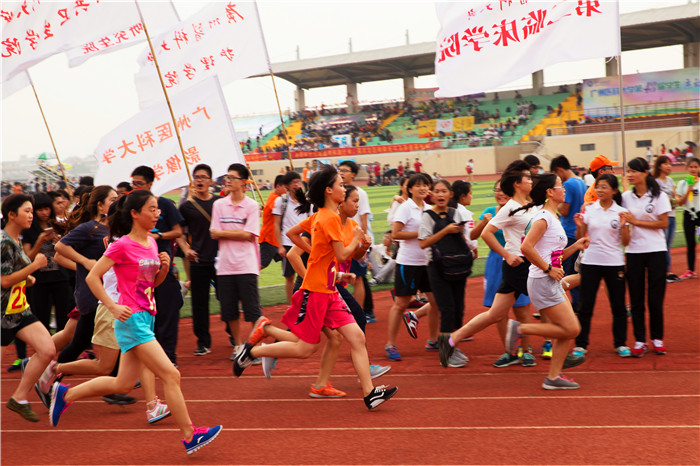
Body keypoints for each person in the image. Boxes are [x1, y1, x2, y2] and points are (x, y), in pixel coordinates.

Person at [50, 190, 222, 454]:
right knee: (171, 374)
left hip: (146, 316)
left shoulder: (151, 243)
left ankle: (65, 394)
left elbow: (151, 285)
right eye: (151, 209)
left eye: (157, 209)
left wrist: (164, 269)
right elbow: (93, 277)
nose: (157, 213)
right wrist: (112, 306)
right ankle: (190, 435)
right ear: (134, 213)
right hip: (131, 320)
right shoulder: (121, 245)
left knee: (122, 384)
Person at [232, 165, 398, 410]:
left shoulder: (321, 215)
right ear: (329, 190)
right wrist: (352, 241)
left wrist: (318, 254)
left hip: (330, 292)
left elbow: (292, 233)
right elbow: (341, 255)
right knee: (305, 348)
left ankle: (369, 393)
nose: (344, 188)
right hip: (316, 292)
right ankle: (251, 353)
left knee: (357, 337)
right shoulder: (328, 218)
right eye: (340, 184)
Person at [438, 161, 538, 364]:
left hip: (521, 264)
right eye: (527, 178)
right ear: (517, 183)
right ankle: (549, 349)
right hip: (518, 265)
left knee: (495, 314)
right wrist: (507, 255)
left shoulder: (529, 206)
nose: (531, 181)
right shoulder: (510, 208)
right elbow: (483, 234)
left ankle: (450, 340)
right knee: (556, 309)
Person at [503, 173, 589, 390]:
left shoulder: (553, 216)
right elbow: (526, 247)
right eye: (560, 186)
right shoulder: (544, 217)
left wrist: (575, 246)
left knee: (564, 330)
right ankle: (521, 329)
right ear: (550, 192)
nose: (564, 189)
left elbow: (554, 255)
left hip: (548, 280)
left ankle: (553, 377)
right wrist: (548, 269)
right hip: (542, 281)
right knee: (572, 329)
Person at [50, 186, 134, 406]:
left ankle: (111, 385)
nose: (116, 203)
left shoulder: (114, 230)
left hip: (105, 293)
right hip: (93, 294)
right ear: (100, 205)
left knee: (82, 342)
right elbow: (60, 249)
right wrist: (85, 263)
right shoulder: (90, 228)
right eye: (112, 199)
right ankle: (51, 377)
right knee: (81, 344)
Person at [2, 194, 55, 422]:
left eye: (32, 211)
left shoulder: (16, 239)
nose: (31, 215)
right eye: (27, 211)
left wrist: (26, 278)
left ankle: (19, 398)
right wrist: (33, 267)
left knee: (47, 350)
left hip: (19, 310)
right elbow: (4, 281)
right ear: (11, 215)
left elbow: (13, 275)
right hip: (2, 313)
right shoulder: (4, 243)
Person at [471, 180, 535, 367]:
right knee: (499, 312)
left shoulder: (522, 210)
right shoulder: (490, 211)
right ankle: (509, 351)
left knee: (522, 309)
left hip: (518, 261)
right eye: (497, 190)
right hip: (496, 263)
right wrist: (484, 222)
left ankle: (526, 350)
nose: (500, 193)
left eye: (503, 190)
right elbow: (473, 236)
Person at [130, 166, 184, 366]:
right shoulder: (129, 208)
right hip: (138, 270)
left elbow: (178, 231)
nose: (135, 187)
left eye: (140, 184)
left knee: (168, 311)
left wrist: (158, 236)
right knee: (142, 315)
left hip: (162, 266)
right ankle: (146, 359)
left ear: (150, 184)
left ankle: (168, 357)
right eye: (133, 183)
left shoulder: (165, 205)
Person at [572, 174, 631, 358]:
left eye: (604, 187)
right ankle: (581, 344)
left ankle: (620, 343)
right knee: (585, 305)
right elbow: (580, 238)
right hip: (591, 261)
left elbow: (626, 242)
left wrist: (624, 226)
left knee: (618, 305)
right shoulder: (590, 209)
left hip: (614, 262)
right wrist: (579, 226)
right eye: (598, 187)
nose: (599, 190)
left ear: (614, 190)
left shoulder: (621, 211)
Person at [210, 163, 263, 359]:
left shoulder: (252, 205)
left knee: (252, 310)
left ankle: (255, 346)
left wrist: (224, 233)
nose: (228, 181)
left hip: (246, 265)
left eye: (232, 177)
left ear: (243, 182)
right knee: (229, 310)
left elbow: (249, 234)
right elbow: (213, 233)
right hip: (225, 266)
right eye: (227, 177)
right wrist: (238, 232)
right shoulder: (219, 205)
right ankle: (238, 346)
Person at [621, 157, 672, 357]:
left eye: (634, 171)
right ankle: (640, 340)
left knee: (655, 298)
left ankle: (657, 339)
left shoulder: (659, 196)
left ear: (645, 173)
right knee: (636, 299)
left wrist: (636, 221)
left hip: (656, 250)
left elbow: (663, 223)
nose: (630, 174)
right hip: (634, 252)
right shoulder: (626, 197)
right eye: (628, 171)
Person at [418, 179, 472, 368]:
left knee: (458, 309)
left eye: (444, 191)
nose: (440, 194)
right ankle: (445, 352)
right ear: (431, 195)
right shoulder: (427, 216)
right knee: (447, 308)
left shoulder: (455, 212)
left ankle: (452, 346)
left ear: (450, 194)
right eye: (437, 191)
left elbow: (464, 237)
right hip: (437, 267)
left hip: (457, 265)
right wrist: (447, 230)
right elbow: (423, 243)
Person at [385, 174, 439, 361]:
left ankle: (433, 340)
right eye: (418, 185)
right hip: (408, 263)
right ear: (409, 189)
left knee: (435, 302)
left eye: (425, 185)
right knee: (401, 304)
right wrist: (421, 233)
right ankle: (390, 344)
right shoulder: (406, 208)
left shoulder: (430, 209)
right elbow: (395, 234)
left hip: (427, 263)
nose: (423, 188)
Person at [176, 164, 221, 356]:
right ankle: (203, 342)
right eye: (196, 177)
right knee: (199, 303)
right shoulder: (186, 207)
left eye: (203, 177)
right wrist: (186, 249)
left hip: (221, 260)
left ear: (211, 181)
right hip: (198, 260)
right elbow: (178, 232)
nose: (199, 180)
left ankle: (232, 335)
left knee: (226, 299)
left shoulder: (220, 203)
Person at [21, 193, 72, 334]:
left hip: (61, 278)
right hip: (39, 281)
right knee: (41, 319)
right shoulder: (28, 230)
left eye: (47, 209)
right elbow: (27, 258)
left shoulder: (58, 226)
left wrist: (60, 242)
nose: (44, 213)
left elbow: (68, 252)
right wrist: (40, 241)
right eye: (40, 209)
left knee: (64, 319)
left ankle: (61, 346)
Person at [550, 155, 587, 314]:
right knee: (576, 271)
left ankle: (576, 305)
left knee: (568, 272)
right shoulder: (580, 181)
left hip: (569, 233)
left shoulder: (568, 184)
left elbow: (564, 210)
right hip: (578, 231)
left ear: (559, 170)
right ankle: (578, 304)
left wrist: (552, 204)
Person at [337, 161, 373, 320]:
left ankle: (359, 314)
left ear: (353, 174)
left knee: (357, 277)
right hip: (344, 240)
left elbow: (364, 219)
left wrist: (362, 243)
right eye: (340, 170)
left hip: (354, 239)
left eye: (345, 170)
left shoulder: (360, 193)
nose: (342, 173)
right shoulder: (337, 194)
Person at [273, 171, 309, 304]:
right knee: (289, 277)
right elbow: (276, 225)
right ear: (287, 186)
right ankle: (292, 305)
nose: (297, 185)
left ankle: (306, 303)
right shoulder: (281, 201)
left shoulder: (307, 200)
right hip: (288, 243)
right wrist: (280, 246)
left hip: (304, 242)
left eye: (298, 182)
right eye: (294, 182)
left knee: (306, 274)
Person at [653, 156, 681, 282]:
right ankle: (664, 272)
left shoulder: (669, 180)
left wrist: (674, 200)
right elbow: (659, 199)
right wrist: (671, 200)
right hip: (662, 216)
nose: (669, 166)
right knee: (662, 245)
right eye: (666, 164)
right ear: (659, 166)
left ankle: (667, 271)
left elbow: (676, 197)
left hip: (672, 215)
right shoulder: (655, 182)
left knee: (668, 246)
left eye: (670, 164)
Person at [676, 157, 700, 280]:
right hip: (688, 214)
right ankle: (690, 270)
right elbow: (680, 202)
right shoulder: (683, 183)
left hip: (699, 214)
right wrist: (688, 190)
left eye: (695, 167)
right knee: (690, 243)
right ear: (687, 168)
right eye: (691, 167)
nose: (693, 169)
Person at [259, 175, 286, 270]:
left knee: (289, 261)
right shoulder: (275, 199)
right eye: (286, 187)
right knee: (261, 264)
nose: (287, 190)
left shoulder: (275, 197)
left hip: (276, 239)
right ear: (278, 187)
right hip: (269, 239)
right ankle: (246, 274)